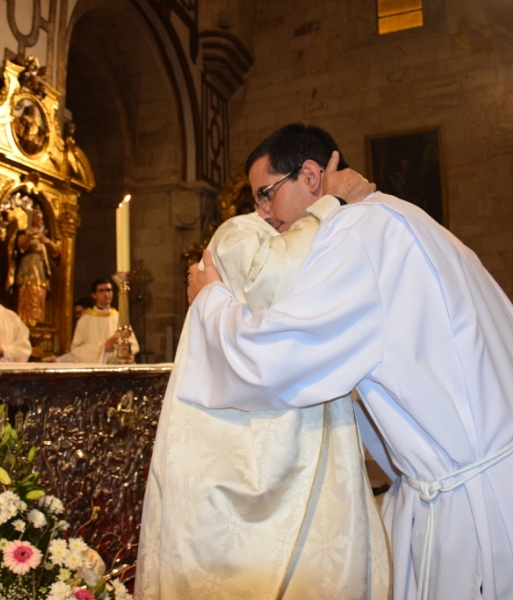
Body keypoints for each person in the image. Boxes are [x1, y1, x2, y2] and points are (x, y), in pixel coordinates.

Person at [182, 123, 513, 600]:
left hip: (476, 513)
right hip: (507, 475)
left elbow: (279, 356)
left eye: (265, 194)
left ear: (310, 175)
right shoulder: (399, 214)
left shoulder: (356, 232)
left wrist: (210, 302)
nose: (262, 214)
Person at [135, 191, 391, 597]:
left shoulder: (264, 238)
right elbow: (272, 280)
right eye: (268, 195)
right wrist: (329, 208)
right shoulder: (239, 232)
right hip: (242, 427)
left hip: (271, 415)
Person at [70, 278, 139, 363]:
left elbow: (134, 346)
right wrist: (103, 348)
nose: (106, 294)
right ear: (94, 295)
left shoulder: (120, 318)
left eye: (109, 290)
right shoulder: (85, 320)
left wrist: (122, 347)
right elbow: (76, 350)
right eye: (101, 291)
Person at [13, 208, 60, 326]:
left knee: (40, 292)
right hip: (28, 264)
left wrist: (47, 241)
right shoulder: (25, 232)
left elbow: (56, 252)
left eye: (41, 218)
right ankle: (25, 320)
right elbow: (20, 247)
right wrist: (30, 236)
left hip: (41, 267)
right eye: (37, 217)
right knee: (28, 290)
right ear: (31, 219)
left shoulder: (43, 235)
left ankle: (38, 320)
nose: (39, 220)